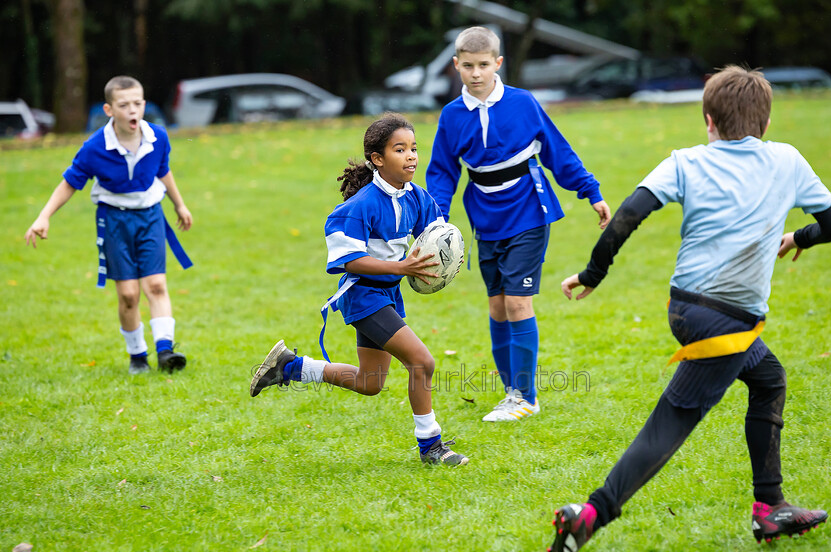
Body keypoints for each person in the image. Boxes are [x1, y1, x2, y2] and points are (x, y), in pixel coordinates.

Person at [549, 66, 831, 551]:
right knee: (671, 425)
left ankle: (770, 508)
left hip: (685, 309)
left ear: (708, 119)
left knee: (769, 379)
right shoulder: (787, 160)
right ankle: (591, 515)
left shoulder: (685, 161)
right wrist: (801, 236)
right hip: (726, 324)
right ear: (766, 124)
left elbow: (626, 216)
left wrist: (593, 273)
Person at [249, 113, 468, 467]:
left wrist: (442, 261)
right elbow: (349, 260)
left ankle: (290, 367)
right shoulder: (358, 207)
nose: (411, 156)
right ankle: (432, 448)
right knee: (421, 362)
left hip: (388, 294)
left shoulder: (418, 198)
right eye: (400, 149)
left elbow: (439, 236)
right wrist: (401, 267)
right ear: (377, 159)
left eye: (414, 148)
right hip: (363, 294)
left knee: (370, 382)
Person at [425, 26, 611, 422]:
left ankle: (527, 397)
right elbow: (442, 171)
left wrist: (590, 192)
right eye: (468, 66)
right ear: (456, 65)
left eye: (484, 65)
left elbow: (558, 152)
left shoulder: (523, 104)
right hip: (484, 216)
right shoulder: (452, 115)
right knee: (496, 306)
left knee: (516, 301)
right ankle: (512, 393)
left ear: (498, 64)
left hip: (528, 210)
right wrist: (437, 217)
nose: (476, 73)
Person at [24, 75, 193, 375]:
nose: (133, 111)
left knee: (155, 284)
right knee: (128, 295)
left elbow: (163, 171)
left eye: (138, 104)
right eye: (124, 105)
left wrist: (179, 204)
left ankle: (165, 351)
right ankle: (137, 355)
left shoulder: (157, 137)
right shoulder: (94, 147)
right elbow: (70, 183)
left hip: (151, 216)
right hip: (114, 220)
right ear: (109, 109)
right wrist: (43, 216)